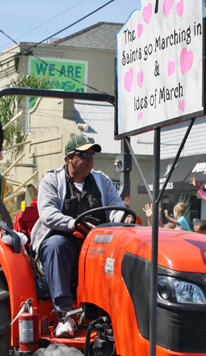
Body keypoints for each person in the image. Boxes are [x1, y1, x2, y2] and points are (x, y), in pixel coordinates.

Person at [31, 135, 131, 337]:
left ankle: (119, 315)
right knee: (55, 245)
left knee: (125, 249)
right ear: (69, 157)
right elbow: (48, 214)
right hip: (64, 241)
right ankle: (65, 315)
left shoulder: (102, 181)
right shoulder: (52, 181)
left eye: (92, 155)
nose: (90, 159)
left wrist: (123, 217)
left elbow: (115, 207)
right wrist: (74, 223)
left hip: (96, 243)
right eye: (84, 155)